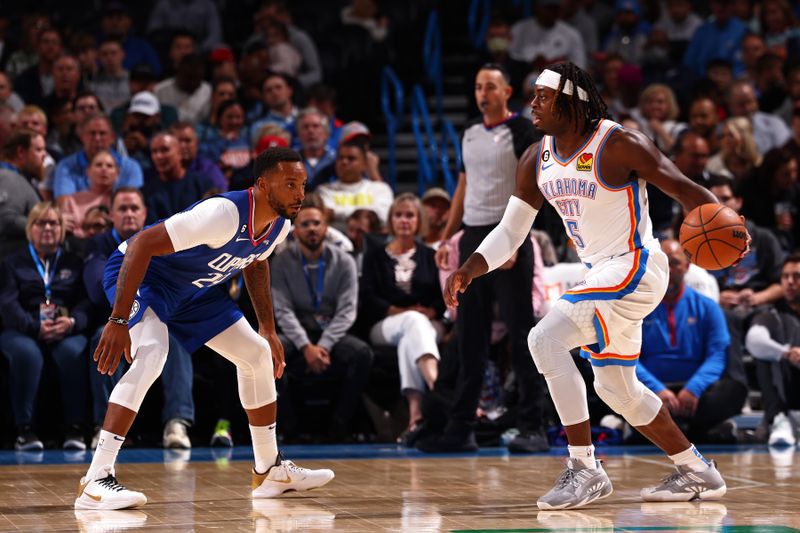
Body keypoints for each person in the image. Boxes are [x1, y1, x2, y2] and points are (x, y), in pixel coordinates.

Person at [444, 62, 748, 509]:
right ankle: (697, 470)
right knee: (616, 390)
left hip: (636, 266)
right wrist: (469, 268)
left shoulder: (619, 143)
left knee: (544, 339)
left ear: (572, 102)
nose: (533, 104)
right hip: (601, 274)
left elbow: (685, 189)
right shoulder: (536, 157)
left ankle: (585, 468)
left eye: (542, 97)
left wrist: (734, 230)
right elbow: (511, 231)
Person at [74, 147, 334, 510]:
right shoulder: (223, 214)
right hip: (143, 275)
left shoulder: (281, 223)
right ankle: (96, 479)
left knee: (257, 355)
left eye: (303, 184)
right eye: (290, 184)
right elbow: (141, 245)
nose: (300, 194)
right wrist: (118, 319)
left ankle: (268, 471)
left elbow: (256, 264)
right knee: (152, 353)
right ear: (261, 185)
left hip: (192, 289)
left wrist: (268, 328)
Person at [422, 63, 548, 454]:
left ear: (507, 91)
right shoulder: (470, 132)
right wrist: (447, 238)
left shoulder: (522, 130)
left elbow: (533, 186)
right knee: (468, 339)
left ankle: (534, 427)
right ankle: (461, 430)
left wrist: (512, 240)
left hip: (509, 233)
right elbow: (463, 186)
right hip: (474, 235)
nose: (483, 93)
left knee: (522, 334)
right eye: (478, 87)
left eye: (490, 87)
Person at [271, 195, 372, 441]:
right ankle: (289, 429)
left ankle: (340, 426)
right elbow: (282, 310)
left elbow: (347, 310)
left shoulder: (345, 261)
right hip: (297, 334)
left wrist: (323, 346)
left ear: (326, 228)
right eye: (305, 224)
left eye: (316, 223)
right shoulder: (281, 262)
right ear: (295, 231)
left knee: (362, 354)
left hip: (331, 334)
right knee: (267, 353)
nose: (312, 229)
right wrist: (306, 347)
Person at [0, 202, 91, 451]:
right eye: (42, 223)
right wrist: (34, 327)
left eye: (54, 223)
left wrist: (72, 322)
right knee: (27, 354)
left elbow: (85, 301)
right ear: (31, 228)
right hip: (22, 329)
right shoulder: (13, 262)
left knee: (74, 352)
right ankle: (24, 430)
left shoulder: (74, 261)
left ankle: (75, 428)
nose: (48, 228)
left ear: (62, 229)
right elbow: (8, 304)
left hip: (65, 328)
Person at [636, 239, 747, 443]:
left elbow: (718, 355)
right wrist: (657, 389)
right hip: (651, 391)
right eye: (663, 263)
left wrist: (694, 388)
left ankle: (657, 431)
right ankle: (701, 432)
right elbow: (628, 359)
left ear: (687, 266)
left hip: (696, 393)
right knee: (613, 384)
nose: (669, 269)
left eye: (675, 263)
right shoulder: (637, 307)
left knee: (734, 389)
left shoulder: (708, 307)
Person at [360, 193, 445, 440]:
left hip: (428, 323)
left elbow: (442, 294)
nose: (404, 220)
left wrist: (432, 311)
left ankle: (415, 413)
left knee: (414, 331)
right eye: (398, 215)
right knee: (412, 322)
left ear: (419, 221)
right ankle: (436, 385)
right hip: (386, 324)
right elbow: (367, 296)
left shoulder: (431, 256)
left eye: (410, 215)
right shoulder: (375, 255)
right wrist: (400, 311)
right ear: (391, 220)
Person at [744, 253, 800, 446]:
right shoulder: (773, 314)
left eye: (796, 276)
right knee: (764, 354)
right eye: (785, 277)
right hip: (787, 390)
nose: (790, 282)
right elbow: (754, 340)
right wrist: (786, 352)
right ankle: (779, 419)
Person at [0, 129, 46, 258]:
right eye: (38, 150)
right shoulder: (9, 177)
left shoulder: (19, 178)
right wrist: (46, 223)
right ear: (21, 152)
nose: (44, 155)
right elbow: (6, 220)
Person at [60, 150, 117, 238]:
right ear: (88, 171)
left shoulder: (122, 201)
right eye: (98, 165)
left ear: (117, 173)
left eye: (109, 166)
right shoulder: (71, 200)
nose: (104, 169)